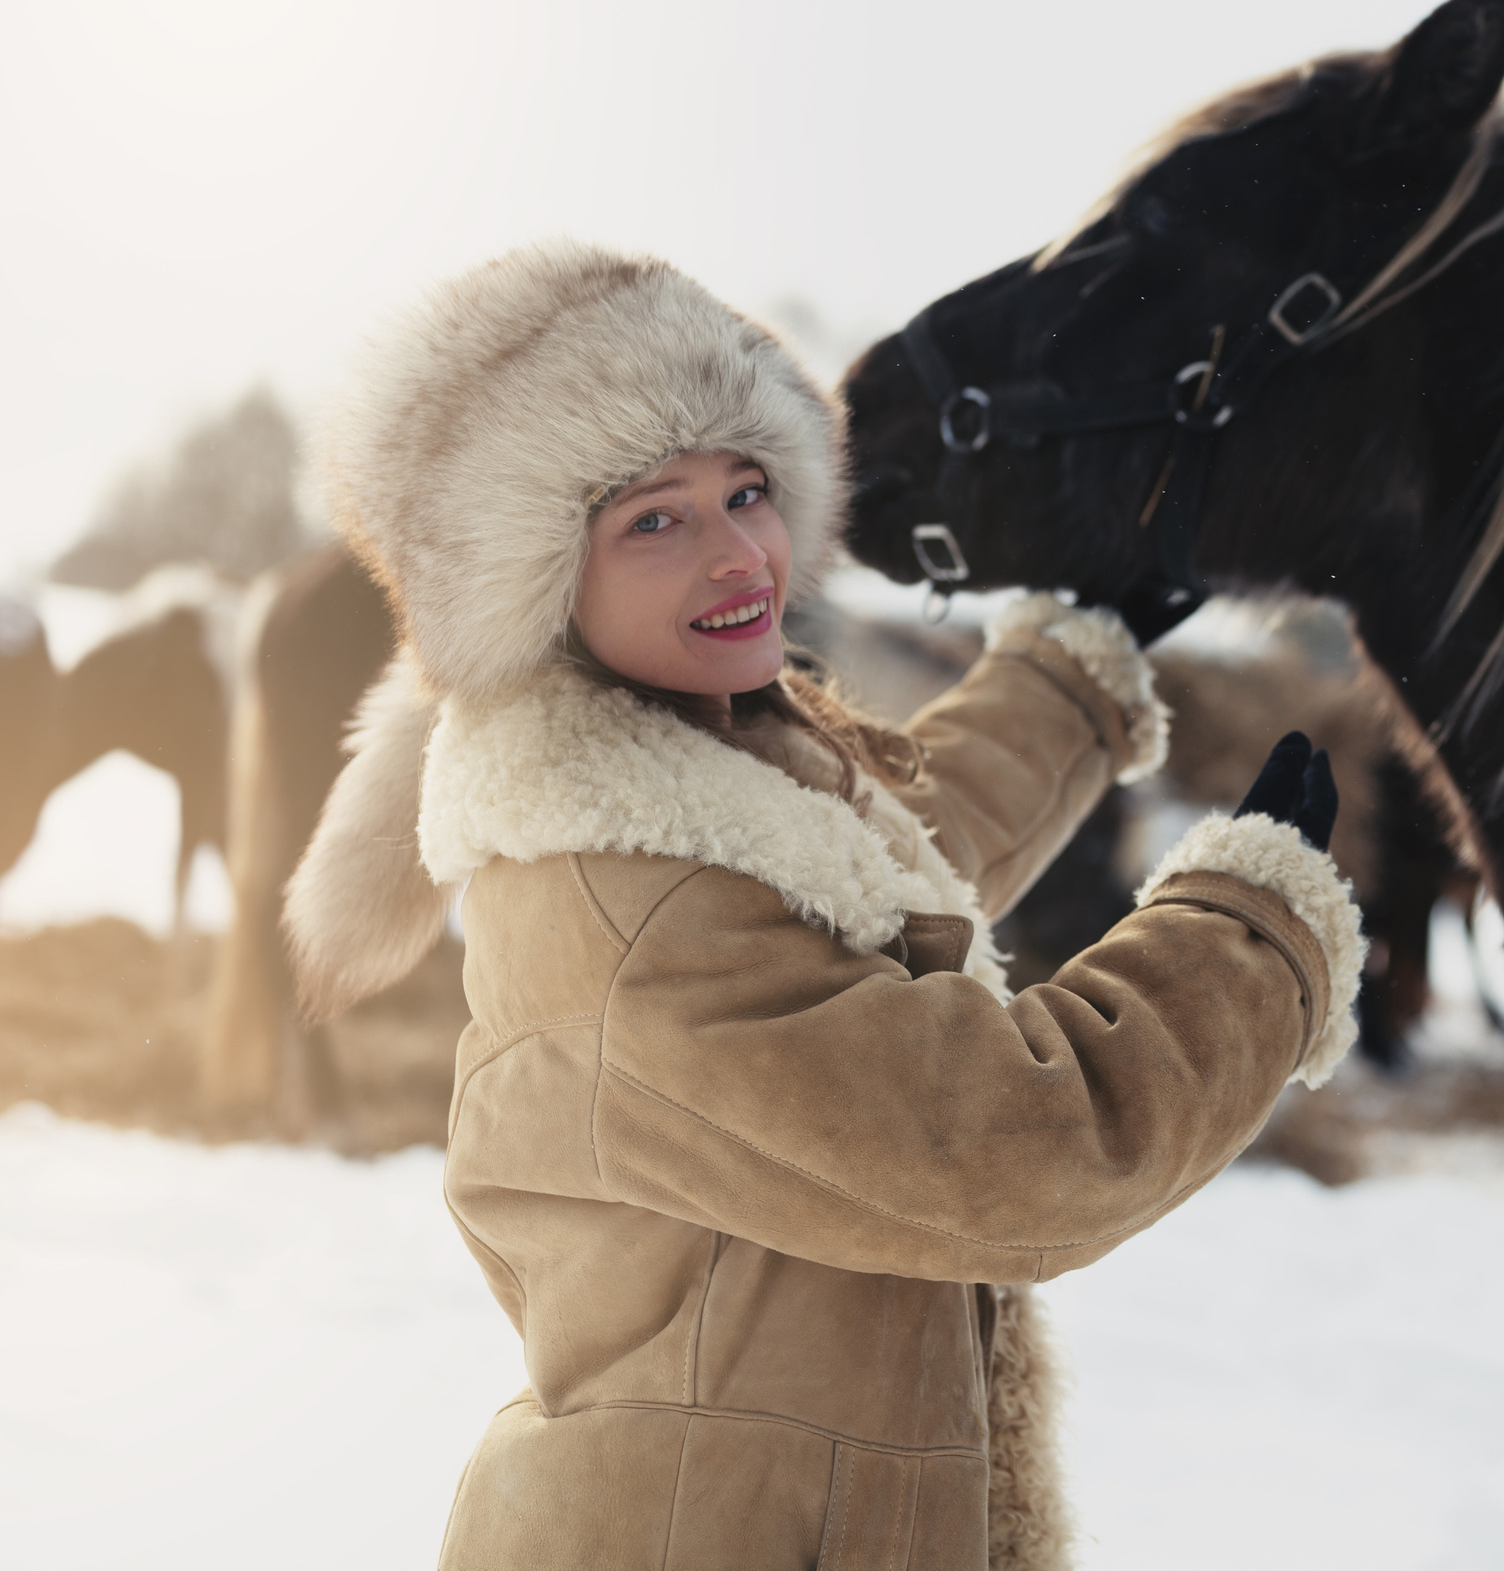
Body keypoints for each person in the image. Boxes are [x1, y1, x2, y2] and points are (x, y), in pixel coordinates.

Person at [281, 242, 1364, 1571]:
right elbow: (1019, 1148)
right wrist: (1249, 934)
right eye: (654, 521)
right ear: (531, 584)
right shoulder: (635, 916)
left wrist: (1070, 674)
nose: (740, 556)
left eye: (747, 489)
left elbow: (888, 869)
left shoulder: (687, 770)